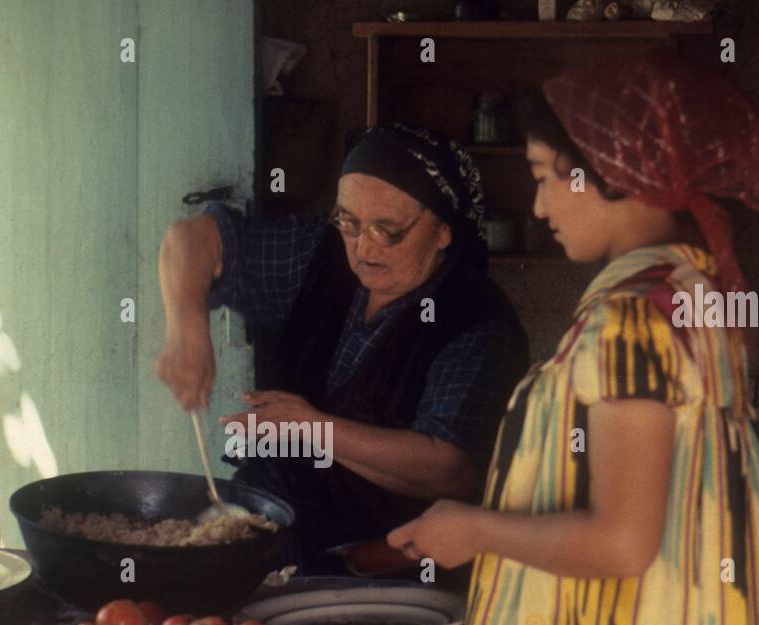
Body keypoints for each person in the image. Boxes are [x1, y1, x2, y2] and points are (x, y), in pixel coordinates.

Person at [387, 51, 759, 625]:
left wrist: (469, 529)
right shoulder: (695, 293)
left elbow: (621, 541)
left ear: (611, 173)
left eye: (547, 178)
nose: (536, 205)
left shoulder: (630, 324)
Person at [156, 123, 528, 572]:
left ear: (443, 231)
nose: (362, 247)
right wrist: (187, 329)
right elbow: (191, 238)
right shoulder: (322, 254)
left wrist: (313, 430)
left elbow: (448, 468)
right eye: (349, 222)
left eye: (387, 231)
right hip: (278, 525)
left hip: (394, 560)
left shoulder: (477, 323)